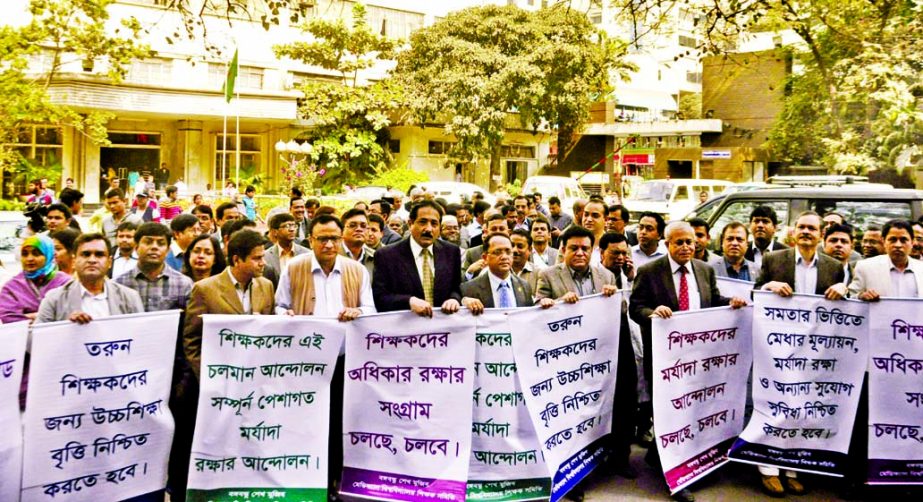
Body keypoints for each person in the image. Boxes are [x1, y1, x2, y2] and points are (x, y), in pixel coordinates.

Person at [629, 221, 747, 502]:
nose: (685, 247)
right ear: (667, 244)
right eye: (679, 242)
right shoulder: (649, 272)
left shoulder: (704, 270)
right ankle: (675, 476)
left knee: (694, 413)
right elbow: (635, 307)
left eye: (690, 242)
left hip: (699, 361)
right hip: (666, 361)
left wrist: (731, 303)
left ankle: (680, 460)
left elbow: (712, 300)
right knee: (671, 416)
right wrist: (652, 312)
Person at [274, 213, 376, 500]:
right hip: (306, 364)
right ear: (311, 240)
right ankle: (311, 481)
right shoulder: (294, 268)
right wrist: (287, 315)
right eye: (322, 239)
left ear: (341, 238)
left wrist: (358, 312)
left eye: (334, 238)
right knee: (308, 424)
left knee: (340, 424)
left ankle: (337, 481)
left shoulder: (356, 271)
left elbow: (371, 310)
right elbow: (279, 306)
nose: (329, 245)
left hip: (346, 363)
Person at [752, 211, 846, 496]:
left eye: (812, 228)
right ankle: (768, 469)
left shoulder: (833, 267)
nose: (806, 232)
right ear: (793, 232)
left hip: (814, 353)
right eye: (801, 227)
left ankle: (791, 469)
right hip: (777, 351)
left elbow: (843, 309)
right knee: (775, 404)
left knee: (802, 407)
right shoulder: (773, 260)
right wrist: (768, 286)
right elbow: (755, 295)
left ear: (821, 234)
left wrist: (844, 289)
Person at [184, 229, 274, 379]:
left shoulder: (266, 286)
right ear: (236, 260)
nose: (263, 263)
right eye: (257, 258)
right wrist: (207, 377)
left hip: (256, 376)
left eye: (263, 257)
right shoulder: (205, 290)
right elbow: (192, 341)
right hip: (218, 377)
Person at [598, 231, 640, 479]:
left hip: (623, 340)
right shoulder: (594, 275)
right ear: (602, 253)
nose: (621, 258)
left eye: (625, 253)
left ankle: (622, 456)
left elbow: (635, 308)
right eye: (616, 253)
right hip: (597, 345)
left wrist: (632, 278)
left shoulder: (628, 276)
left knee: (626, 398)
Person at [372, 200, 462, 316]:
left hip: (443, 327)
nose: (428, 229)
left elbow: (457, 288)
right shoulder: (387, 255)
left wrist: (454, 299)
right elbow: (380, 297)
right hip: (406, 328)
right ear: (410, 224)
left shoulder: (451, 252)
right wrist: (409, 301)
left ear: (439, 227)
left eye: (434, 224)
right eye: (422, 222)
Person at [36, 232, 144, 324]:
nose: (92, 260)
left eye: (99, 255)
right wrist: (66, 327)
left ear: (110, 262)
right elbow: (37, 340)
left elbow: (141, 338)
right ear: (74, 261)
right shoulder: (54, 299)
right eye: (86, 254)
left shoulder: (129, 298)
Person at [0, 235, 72, 323]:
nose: (29, 259)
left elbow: (71, 315)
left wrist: (30, 316)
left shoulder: (66, 283)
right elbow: (9, 319)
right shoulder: (12, 287)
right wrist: (49, 316)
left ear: (49, 255)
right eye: (25, 254)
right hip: (23, 336)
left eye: (36, 254)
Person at [460, 233, 535, 311]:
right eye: (497, 252)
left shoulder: (524, 287)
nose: (504, 257)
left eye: (508, 252)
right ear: (485, 258)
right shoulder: (469, 289)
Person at [263, 213, 311, 288]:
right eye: (287, 226)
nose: (292, 229)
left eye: (294, 226)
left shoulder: (307, 254)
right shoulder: (266, 256)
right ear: (275, 232)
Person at [463, 212, 509, 280]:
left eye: (502, 229)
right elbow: (461, 281)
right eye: (494, 229)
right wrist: (470, 272)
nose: (498, 232)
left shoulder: (517, 252)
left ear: (508, 231)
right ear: (487, 232)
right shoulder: (472, 253)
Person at [509, 229, 539, 293]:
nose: (514, 250)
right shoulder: (499, 271)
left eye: (520, 246)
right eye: (512, 245)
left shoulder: (538, 274)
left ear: (530, 249)